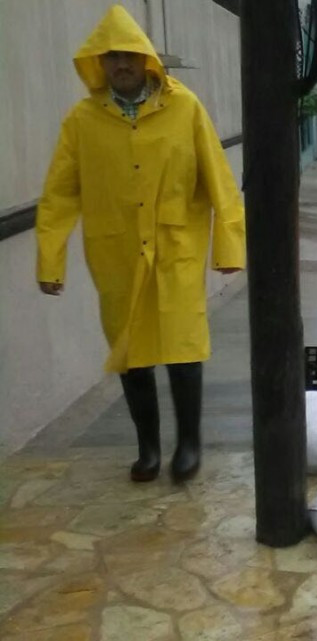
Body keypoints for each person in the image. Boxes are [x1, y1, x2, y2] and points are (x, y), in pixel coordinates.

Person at [36, 5, 245, 483]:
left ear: (146, 59)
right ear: (100, 63)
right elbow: (60, 194)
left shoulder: (184, 107)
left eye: (129, 55)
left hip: (177, 250)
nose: (122, 65)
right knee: (131, 351)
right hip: (117, 253)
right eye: (111, 58)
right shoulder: (83, 121)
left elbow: (219, 181)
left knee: (182, 345)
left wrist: (229, 249)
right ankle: (148, 448)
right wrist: (51, 260)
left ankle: (188, 444)